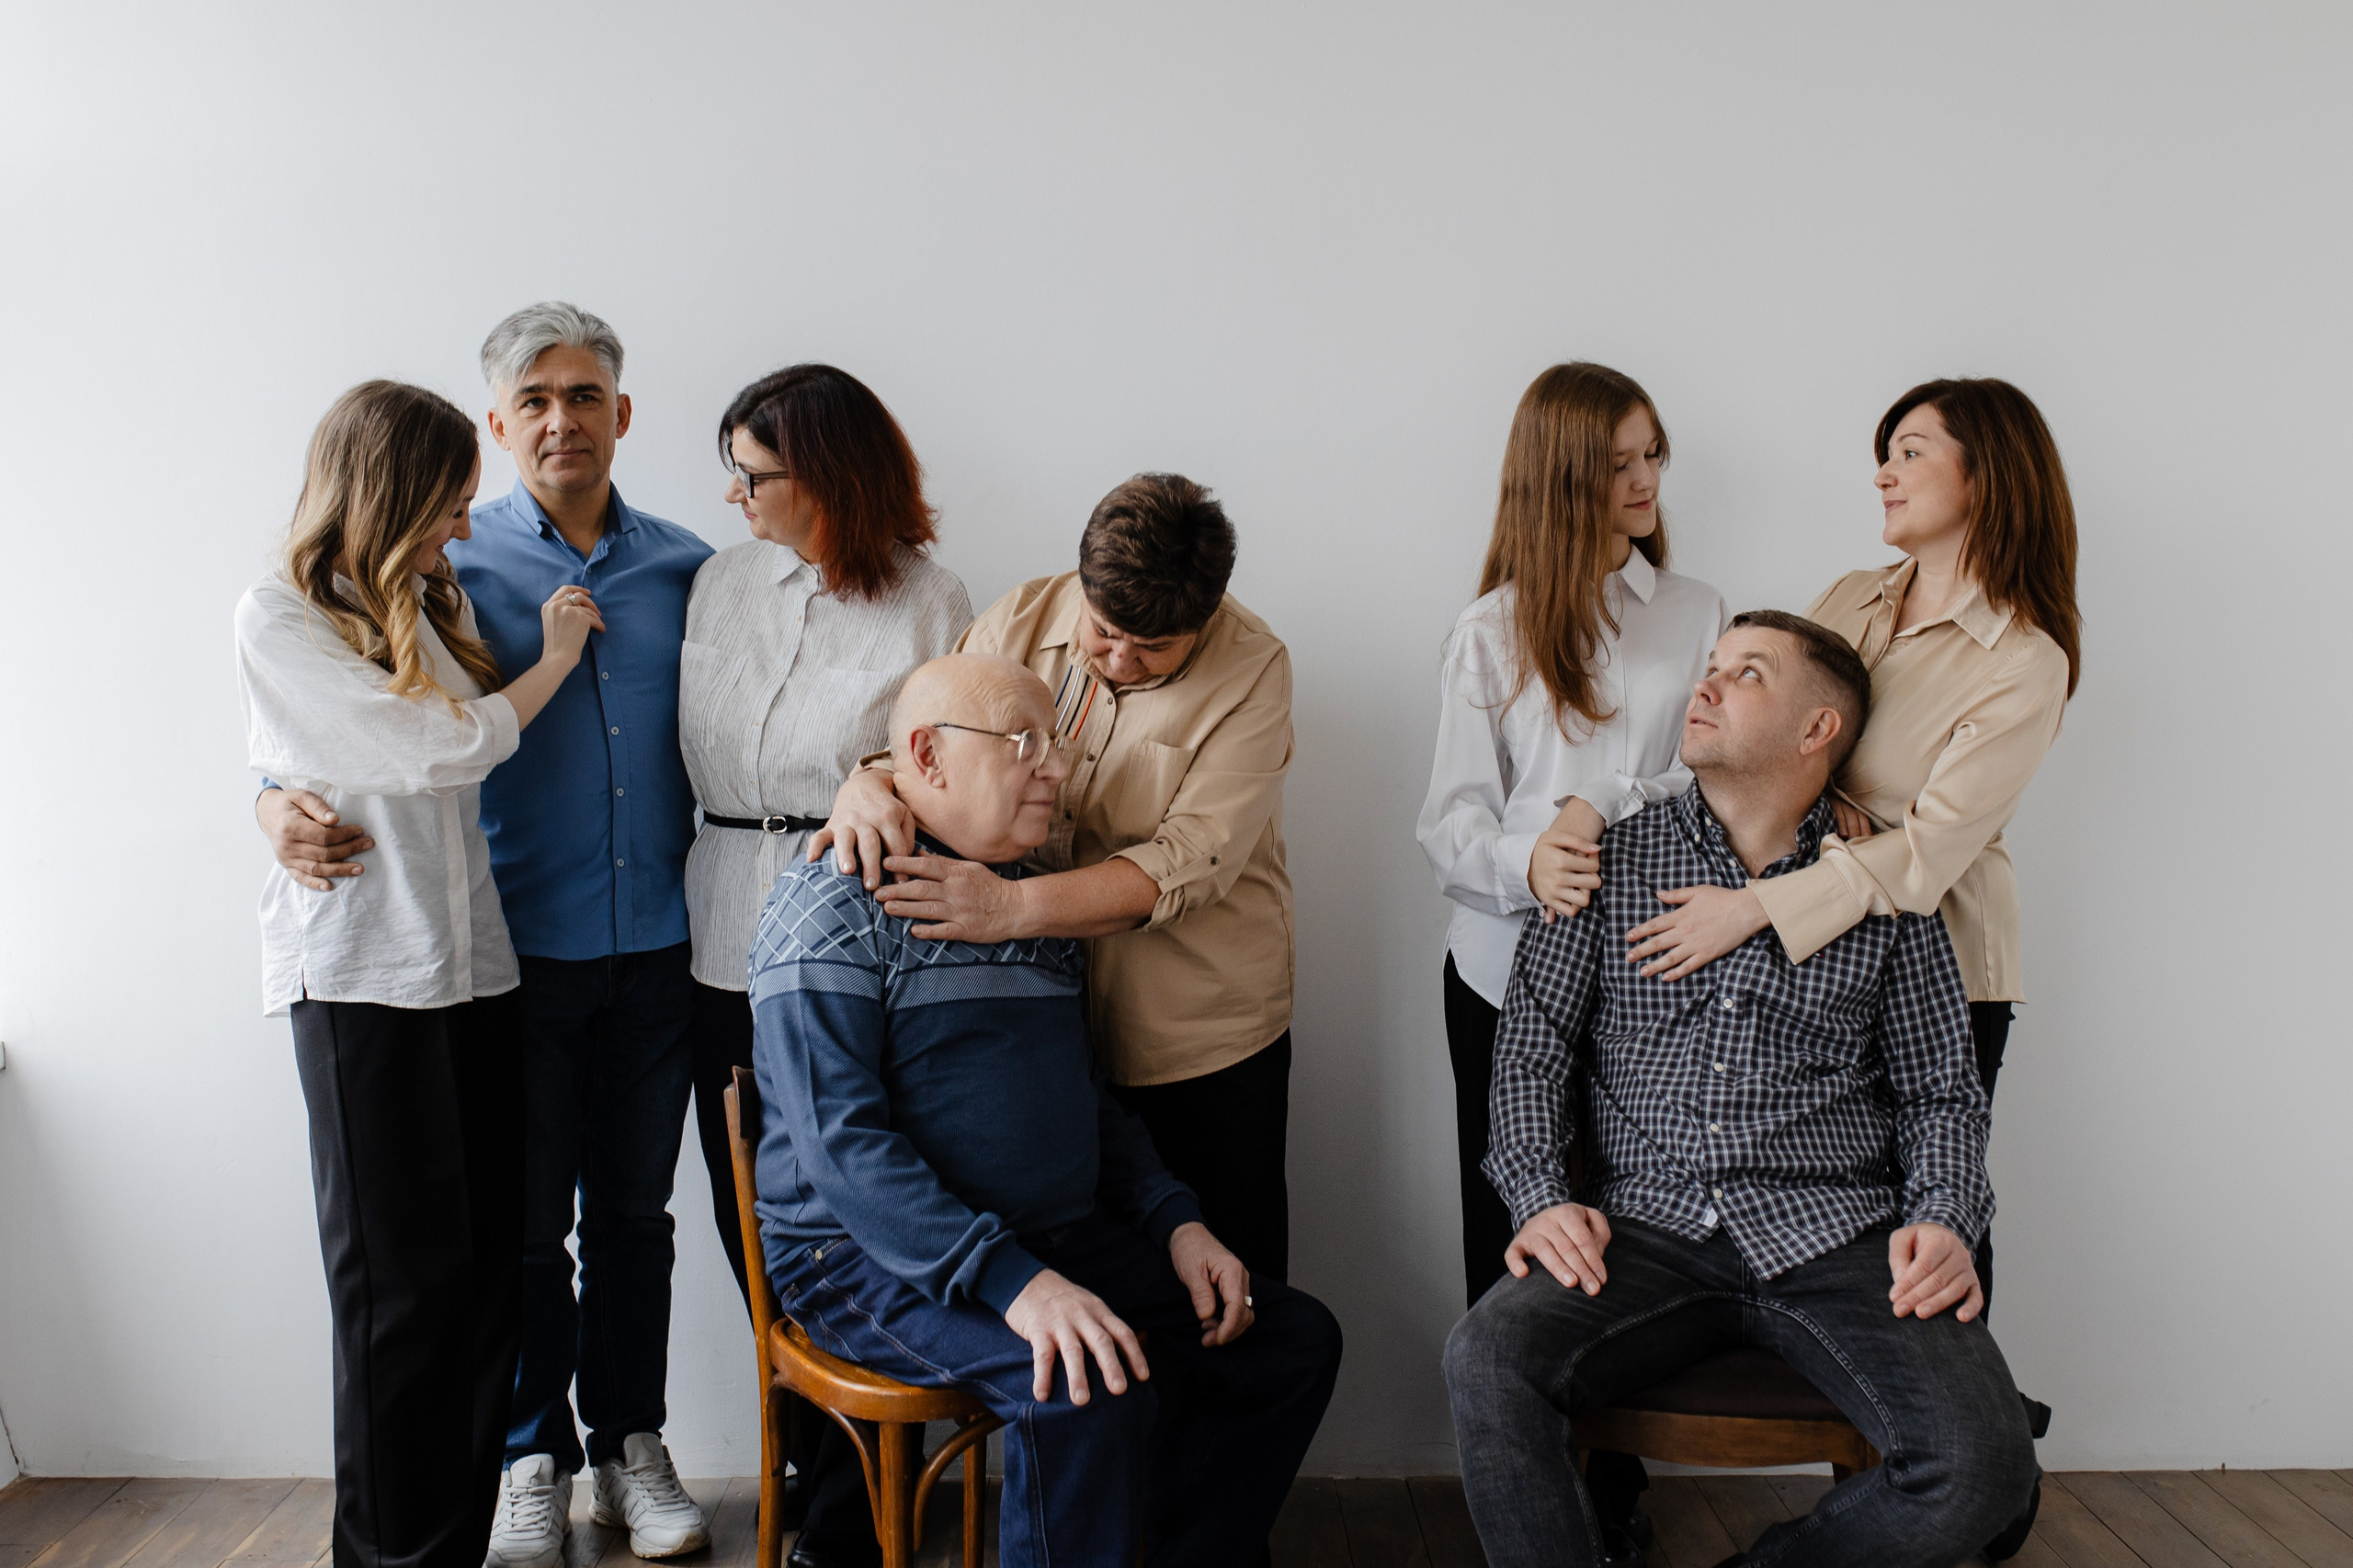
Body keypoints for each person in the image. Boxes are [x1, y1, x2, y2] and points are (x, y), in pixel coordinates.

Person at [257, 302, 717, 1568]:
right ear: (498, 423)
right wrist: (266, 804)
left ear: (621, 413)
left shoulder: (692, 570)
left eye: (585, 394)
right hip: (504, 957)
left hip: (652, 951)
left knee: (634, 1216)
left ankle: (633, 1444)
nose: (561, 419)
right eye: (535, 399)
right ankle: (531, 1453)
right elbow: (332, 722)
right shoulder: (441, 562)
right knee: (513, 1237)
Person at [1442, 611, 2038, 1568]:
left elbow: (1941, 1090)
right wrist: (1539, 1195)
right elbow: (1529, 1051)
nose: (1704, 687)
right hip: (1641, 1233)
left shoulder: (1879, 890)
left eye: (1745, 673)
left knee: (1985, 1468)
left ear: (1817, 731)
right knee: (1485, 1354)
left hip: (1841, 1237)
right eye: (1709, 666)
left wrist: (1945, 1215)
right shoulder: (1605, 861)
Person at [751, 653, 1342, 1567]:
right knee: (1082, 1384)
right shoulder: (832, 900)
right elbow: (843, 1147)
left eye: (1056, 746)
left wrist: (1177, 1223)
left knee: (1290, 1341)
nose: (1057, 769)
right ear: (927, 756)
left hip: (1045, 1231)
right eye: (1025, 744)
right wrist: (1014, 1281)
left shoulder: (1025, 899)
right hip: (858, 1254)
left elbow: (1086, 1104)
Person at [235, 380, 602, 1568]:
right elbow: (433, 748)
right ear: (395, 488)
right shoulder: (280, 613)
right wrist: (545, 664)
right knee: (396, 1305)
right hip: (362, 988)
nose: (462, 522)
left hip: (473, 977)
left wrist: (268, 795)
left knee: (481, 1287)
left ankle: (445, 1544)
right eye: (448, 499)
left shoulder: (427, 604)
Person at [1612, 379, 2078, 1309]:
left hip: (1936, 957)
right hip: (1813, 952)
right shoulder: (1852, 597)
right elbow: (1776, 741)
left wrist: (1750, 906)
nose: (1882, 474)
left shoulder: (2024, 660)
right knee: (1830, 1200)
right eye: (1885, 452)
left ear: (1984, 477)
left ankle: (1959, 1416)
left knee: (1934, 1209)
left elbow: (1926, 857)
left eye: (1910, 451)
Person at [813, 474, 1299, 1286]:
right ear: (1083, 584)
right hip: (1039, 1024)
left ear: (1207, 618)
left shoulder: (1256, 670)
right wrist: (865, 781)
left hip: (1193, 1032)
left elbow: (1189, 860)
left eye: (1155, 651)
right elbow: (931, 748)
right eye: (1105, 632)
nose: (1119, 660)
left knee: (1224, 1281)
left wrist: (1010, 908)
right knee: (1095, 1284)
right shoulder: (1022, 616)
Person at [677, 364, 971, 1568]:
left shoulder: (930, 601)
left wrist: (880, 777)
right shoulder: (718, 579)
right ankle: (811, 1469)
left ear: (828, 476)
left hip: (853, 949)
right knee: (751, 1220)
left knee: (851, 1217)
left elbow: (961, 766)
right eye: (731, 472)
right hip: (712, 942)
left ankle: (865, 1507)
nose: (734, 493)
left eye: (755, 473)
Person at [1418, 362, 1727, 1308]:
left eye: (1652, 456)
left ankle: (1616, 1447)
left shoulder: (1698, 614)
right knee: (1511, 1217)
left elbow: (1716, 782)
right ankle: (1510, 1440)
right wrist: (1531, 863)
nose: (1645, 482)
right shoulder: (1488, 631)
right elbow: (1448, 823)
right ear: (1559, 477)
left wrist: (1602, 796)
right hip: (1502, 968)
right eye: (1617, 463)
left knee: (1631, 1212)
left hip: (1652, 964)